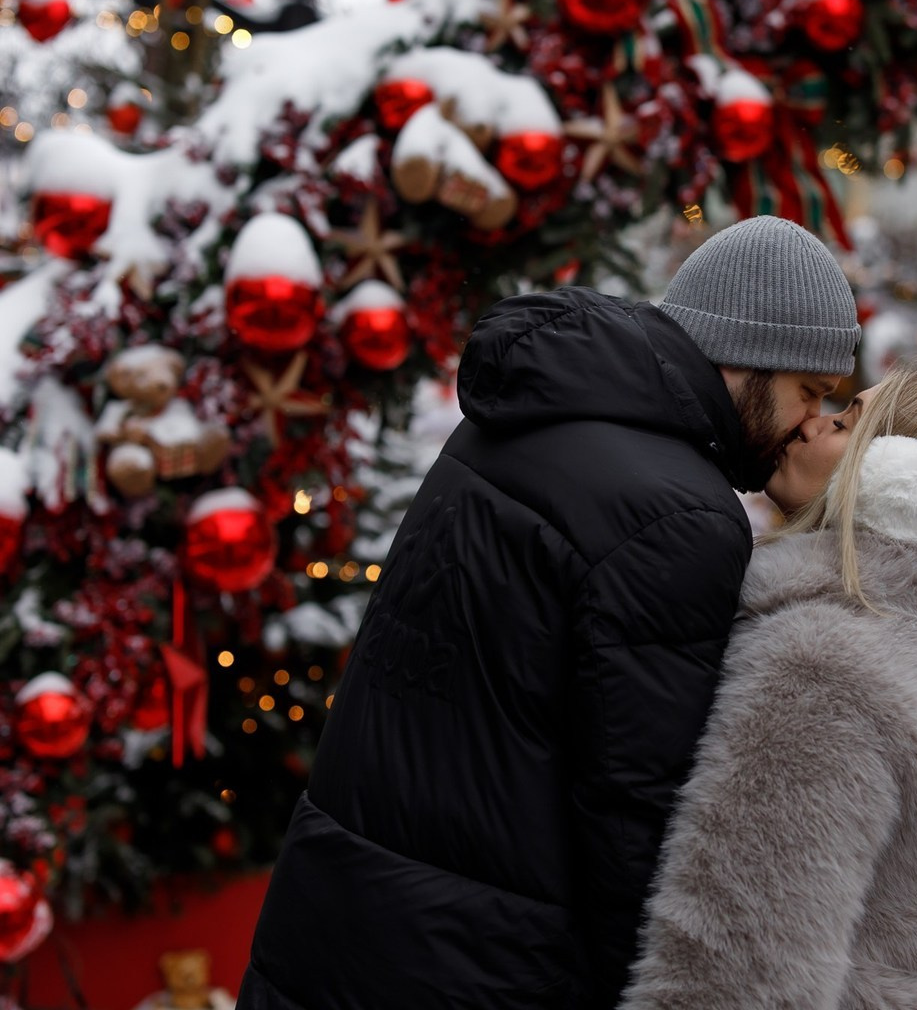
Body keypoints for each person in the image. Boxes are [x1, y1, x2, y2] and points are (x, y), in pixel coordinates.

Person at [236, 215, 862, 1010]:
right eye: (808, 392)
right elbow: (639, 825)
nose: (810, 423)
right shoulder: (678, 514)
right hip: (482, 968)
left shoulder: (527, 420)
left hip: (343, 924)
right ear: (746, 356)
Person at [620, 358, 917, 1010]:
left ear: (902, 484)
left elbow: (739, 969)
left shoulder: (824, 666)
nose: (810, 426)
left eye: (846, 423)